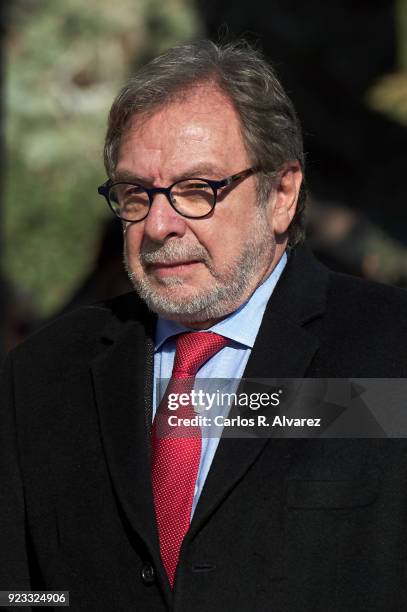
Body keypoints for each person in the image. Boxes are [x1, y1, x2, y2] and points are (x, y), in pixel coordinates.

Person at [1, 40, 407, 612]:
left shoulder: (390, 353)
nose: (161, 224)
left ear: (282, 195)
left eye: (199, 190)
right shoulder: (46, 374)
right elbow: (21, 590)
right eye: (136, 193)